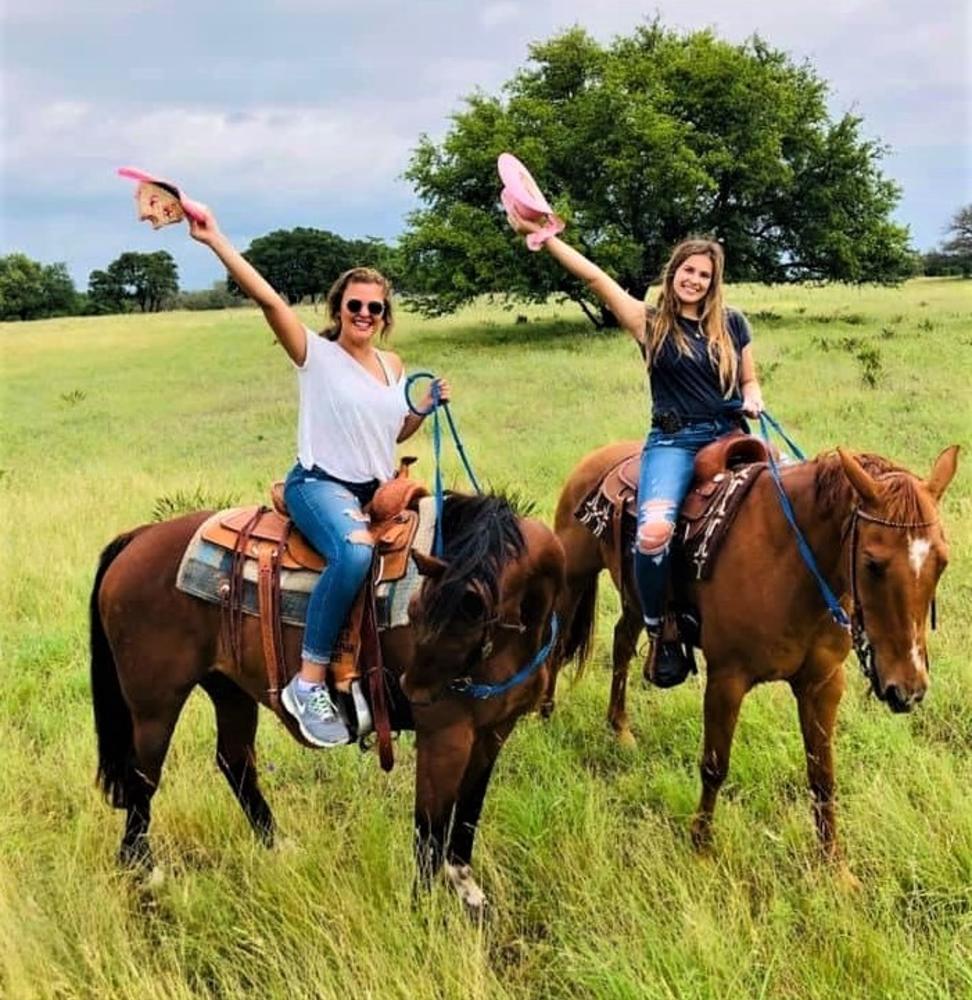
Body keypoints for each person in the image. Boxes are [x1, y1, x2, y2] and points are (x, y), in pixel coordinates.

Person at [189, 207, 449, 744]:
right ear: (339, 308)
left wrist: (420, 410)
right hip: (320, 485)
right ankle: (307, 682)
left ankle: (385, 673)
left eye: (374, 307)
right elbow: (268, 299)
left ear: (385, 314)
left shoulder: (392, 365)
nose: (364, 314)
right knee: (354, 553)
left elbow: (390, 433)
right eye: (354, 305)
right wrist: (215, 237)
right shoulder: (316, 354)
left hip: (377, 491)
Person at [506, 210, 763, 688]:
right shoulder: (651, 323)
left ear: (714, 282)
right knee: (653, 533)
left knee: (789, 500)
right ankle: (660, 629)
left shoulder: (733, 324)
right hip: (674, 441)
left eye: (704, 275)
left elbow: (749, 379)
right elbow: (594, 276)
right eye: (688, 270)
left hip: (731, 433)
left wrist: (753, 396)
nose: (695, 280)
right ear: (674, 272)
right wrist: (545, 237)